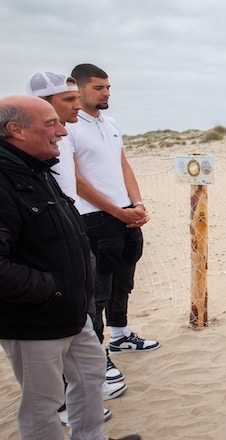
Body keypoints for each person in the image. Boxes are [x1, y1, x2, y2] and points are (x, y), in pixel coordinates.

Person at [0, 95, 141, 440]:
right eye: (51, 124)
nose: (63, 131)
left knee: (91, 376)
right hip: (33, 320)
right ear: (14, 130)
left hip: (72, 312)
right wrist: (52, 288)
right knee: (43, 403)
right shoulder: (5, 180)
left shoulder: (36, 167)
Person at [26, 71, 127, 426]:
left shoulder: (64, 134)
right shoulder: (26, 155)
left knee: (88, 308)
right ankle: (65, 404)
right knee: (68, 327)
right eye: (68, 101)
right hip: (54, 257)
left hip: (74, 239)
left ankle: (83, 411)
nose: (73, 111)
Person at [62, 64, 159, 365]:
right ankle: (96, 354)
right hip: (94, 217)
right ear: (78, 90)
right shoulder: (69, 127)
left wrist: (137, 204)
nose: (106, 93)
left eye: (108, 87)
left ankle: (121, 335)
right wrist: (116, 211)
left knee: (124, 279)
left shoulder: (111, 122)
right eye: (98, 88)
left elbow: (124, 165)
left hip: (126, 214)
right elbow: (76, 180)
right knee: (97, 290)